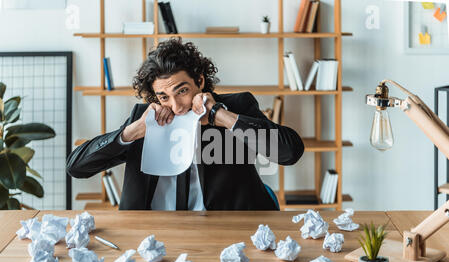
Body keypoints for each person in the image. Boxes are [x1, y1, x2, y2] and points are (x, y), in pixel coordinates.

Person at [66, 38, 304, 210]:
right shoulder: (144, 118)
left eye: (182, 91)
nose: (177, 106)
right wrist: (131, 132)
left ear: (199, 80)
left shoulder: (236, 105)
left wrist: (220, 116)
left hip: (223, 235)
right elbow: (76, 167)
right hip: (152, 237)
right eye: (164, 97)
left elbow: (290, 152)